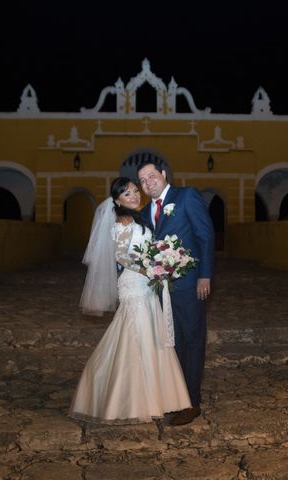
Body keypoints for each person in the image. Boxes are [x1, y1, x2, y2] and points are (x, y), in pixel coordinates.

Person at [69, 177, 191, 424]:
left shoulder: (137, 217)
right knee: (134, 336)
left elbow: (145, 249)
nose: (134, 196)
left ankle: (156, 397)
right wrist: (151, 268)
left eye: (136, 191)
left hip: (146, 284)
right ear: (116, 200)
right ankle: (125, 398)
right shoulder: (120, 220)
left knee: (150, 336)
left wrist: (163, 259)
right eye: (127, 194)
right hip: (134, 284)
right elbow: (122, 256)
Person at [137, 160, 215, 426]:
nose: (148, 182)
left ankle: (192, 403)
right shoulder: (146, 211)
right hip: (162, 289)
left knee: (192, 340)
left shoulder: (186, 196)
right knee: (173, 343)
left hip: (190, 283)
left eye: (151, 176)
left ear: (164, 175)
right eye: (143, 180)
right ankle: (176, 396)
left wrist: (205, 275)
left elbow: (205, 236)